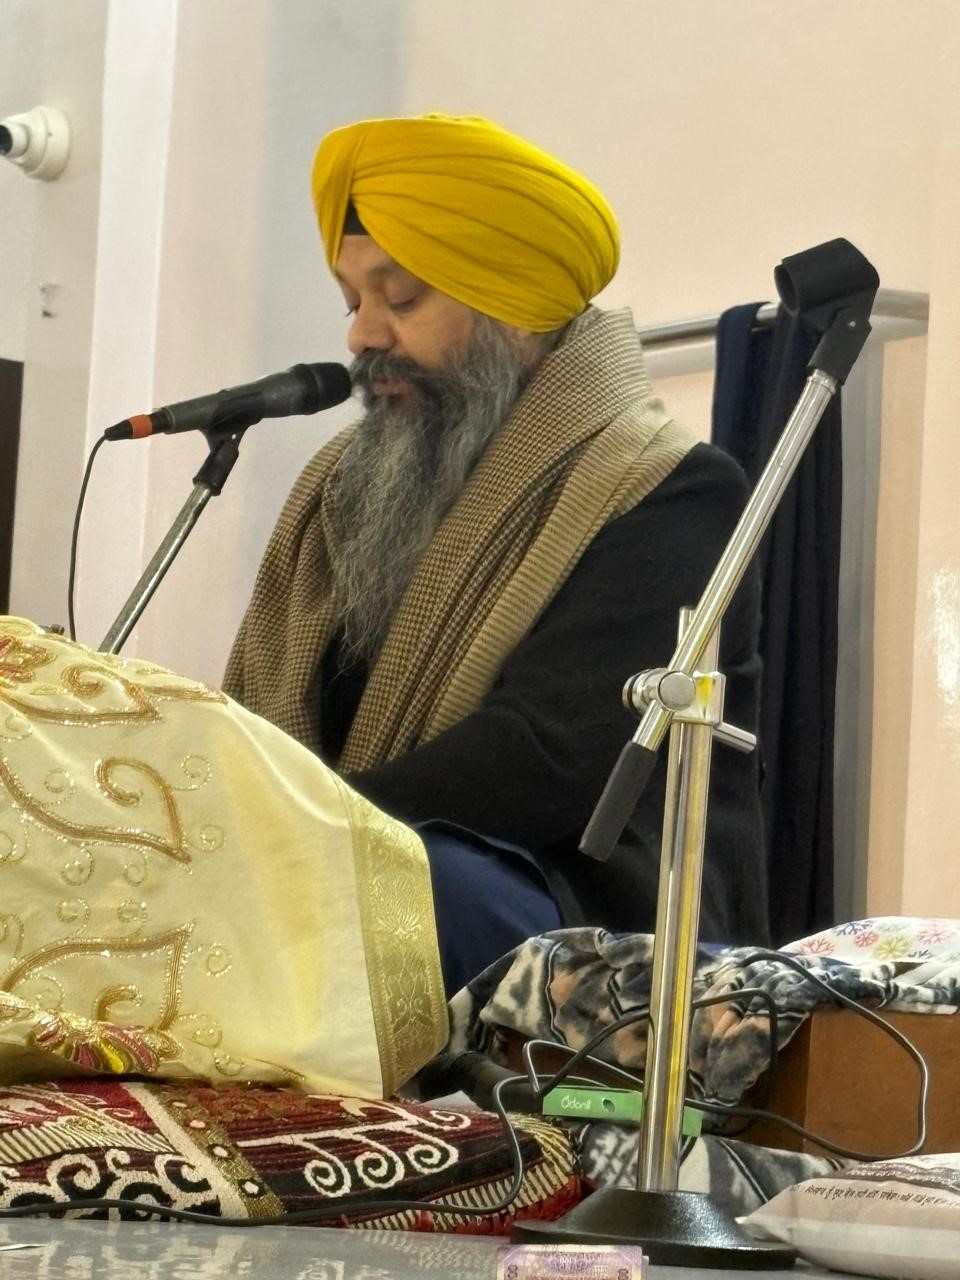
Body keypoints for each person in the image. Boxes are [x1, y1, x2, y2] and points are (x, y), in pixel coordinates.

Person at [225, 114, 770, 990]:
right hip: (340, 884)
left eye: (401, 298)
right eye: (353, 302)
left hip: (583, 944)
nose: (364, 336)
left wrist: (287, 837)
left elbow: (545, 759)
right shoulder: (348, 493)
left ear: (514, 310)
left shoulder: (670, 490)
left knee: (427, 883)